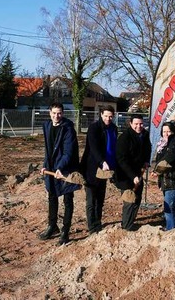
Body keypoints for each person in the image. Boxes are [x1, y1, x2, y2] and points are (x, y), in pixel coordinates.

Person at [39, 102, 81, 245]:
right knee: (52, 195)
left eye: (59, 113)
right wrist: (45, 165)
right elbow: (48, 149)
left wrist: (61, 167)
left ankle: (65, 231)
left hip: (67, 168)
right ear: (49, 112)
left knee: (68, 199)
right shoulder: (47, 126)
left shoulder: (68, 129)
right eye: (54, 113)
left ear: (62, 114)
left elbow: (68, 152)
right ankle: (52, 226)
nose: (57, 116)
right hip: (52, 167)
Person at [80, 105, 117, 234]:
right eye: (106, 116)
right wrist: (102, 161)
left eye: (111, 116)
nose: (108, 118)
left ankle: (98, 222)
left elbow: (113, 148)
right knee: (91, 198)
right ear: (101, 115)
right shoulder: (94, 128)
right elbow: (94, 148)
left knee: (100, 198)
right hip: (91, 167)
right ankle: (92, 226)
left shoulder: (113, 128)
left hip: (105, 170)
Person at [114, 114, 151, 231]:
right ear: (130, 123)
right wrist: (132, 176)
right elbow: (121, 159)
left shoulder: (144, 135)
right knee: (129, 201)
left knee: (137, 199)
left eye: (141, 124)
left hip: (138, 172)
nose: (139, 126)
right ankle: (126, 226)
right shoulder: (124, 138)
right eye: (136, 124)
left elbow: (148, 149)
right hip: (125, 175)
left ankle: (131, 222)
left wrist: (146, 160)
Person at [152, 121, 175, 230]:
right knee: (171, 206)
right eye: (164, 131)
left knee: (168, 206)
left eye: (169, 131)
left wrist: (156, 171)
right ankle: (174, 228)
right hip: (166, 181)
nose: (166, 134)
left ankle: (170, 229)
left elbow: (169, 158)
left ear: (173, 132)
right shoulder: (162, 145)